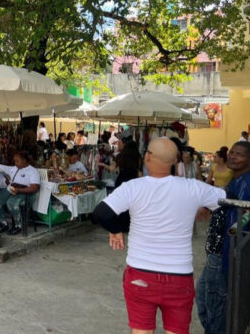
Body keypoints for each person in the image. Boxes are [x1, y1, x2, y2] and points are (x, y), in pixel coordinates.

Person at [92, 138, 226, 334]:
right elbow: (229, 200)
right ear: (175, 161)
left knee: (141, 331)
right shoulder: (194, 188)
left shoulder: (133, 187)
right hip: (179, 277)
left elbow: (101, 213)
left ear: (147, 157)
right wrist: (205, 209)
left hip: (140, 274)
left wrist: (116, 230)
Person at [196, 141, 250, 334]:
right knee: (204, 299)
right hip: (216, 253)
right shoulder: (236, 180)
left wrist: (231, 235)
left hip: (225, 255)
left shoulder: (248, 183)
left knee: (217, 307)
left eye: (240, 154)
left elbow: (245, 219)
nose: (233, 156)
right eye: (232, 152)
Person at [0, 151, 41, 235]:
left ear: (24, 160)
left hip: (25, 193)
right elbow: (9, 183)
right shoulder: (14, 169)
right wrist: (7, 180)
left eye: (17, 161)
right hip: (12, 189)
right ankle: (4, 223)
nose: (15, 163)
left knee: (11, 202)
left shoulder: (33, 171)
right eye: (14, 161)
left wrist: (19, 190)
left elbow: (34, 188)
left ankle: (18, 225)